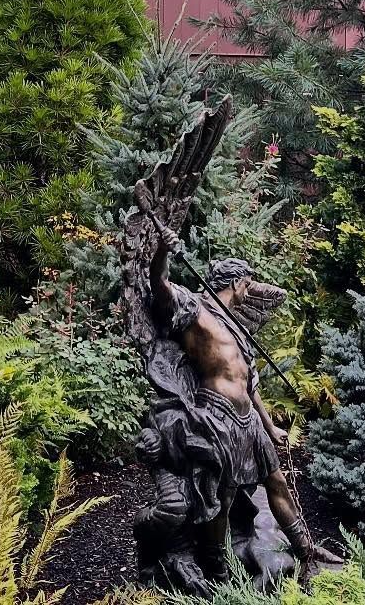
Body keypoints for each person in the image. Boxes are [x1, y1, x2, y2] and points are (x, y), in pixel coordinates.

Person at [137, 220, 339, 587]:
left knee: (276, 480)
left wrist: (268, 423)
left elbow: (249, 382)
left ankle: (308, 551)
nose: (250, 291)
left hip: (247, 418)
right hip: (217, 416)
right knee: (222, 497)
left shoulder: (236, 325)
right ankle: (218, 571)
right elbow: (159, 285)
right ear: (237, 283)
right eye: (248, 284)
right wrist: (163, 251)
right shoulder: (194, 308)